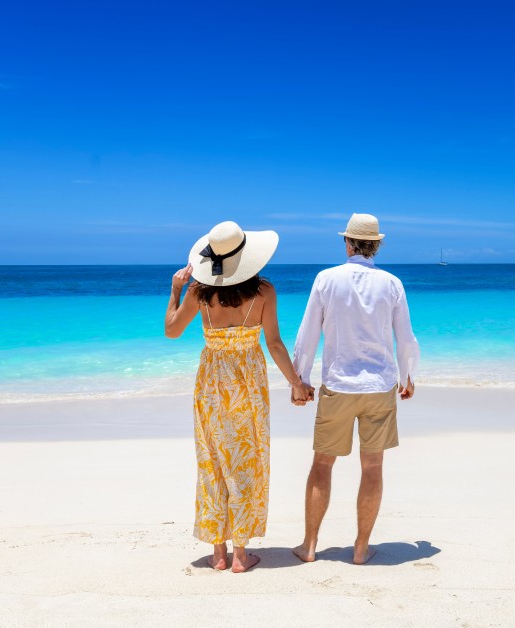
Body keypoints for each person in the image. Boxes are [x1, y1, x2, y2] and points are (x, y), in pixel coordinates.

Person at [164, 221, 310, 573]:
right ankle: (241, 555)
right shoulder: (264, 292)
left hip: (212, 382)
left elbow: (171, 330)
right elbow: (274, 344)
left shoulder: (199, 292)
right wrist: (296, 383)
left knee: (213, 460)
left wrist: (175, 289)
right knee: (246, 460)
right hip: (248, 382)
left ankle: (218, 553)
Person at [290, 213, 420, 565]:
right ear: (376, 245)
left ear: (347, 243)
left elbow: (308, 334)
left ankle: (310, 545)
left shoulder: (326, 279)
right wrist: (408, 376)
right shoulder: (392, 284)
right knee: (373, 467)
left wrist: (299, 379)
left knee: (322, 464)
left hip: (339, 385)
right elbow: (405, 337)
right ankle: (361, 548)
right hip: (379, 386)